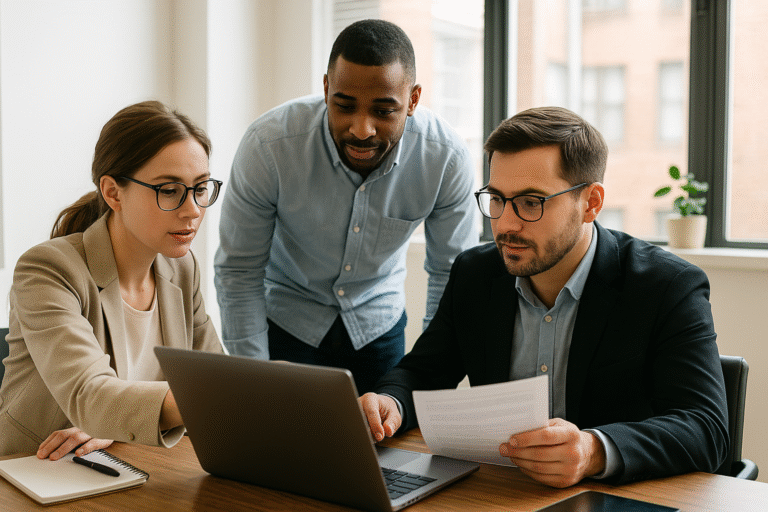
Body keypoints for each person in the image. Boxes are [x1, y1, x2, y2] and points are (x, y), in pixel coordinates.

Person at [359, 106, 728, 487]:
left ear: (591, 203)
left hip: (613, 498)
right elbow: (423, 371)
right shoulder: (476, 273)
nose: (505, 224)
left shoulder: (667, 286)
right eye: (497, 199)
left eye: (531, 202)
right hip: (502, 492)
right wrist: (392, 403)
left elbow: (705, 427)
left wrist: (593, 451)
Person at [214, 19, 478, 394]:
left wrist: (425, 381)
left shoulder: (445, 158)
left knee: (384, 450)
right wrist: (255, 380)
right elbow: (239, 271)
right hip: (286, 327)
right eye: (345, 106)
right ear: (326, 88)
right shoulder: (269, 145)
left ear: (413, 100)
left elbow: (450, 277)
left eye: (384, 111)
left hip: (379, 329)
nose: (361, 129)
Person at [0, 101, 224, 459]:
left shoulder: (182, 269)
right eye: (169, 190)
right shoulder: (46, 270)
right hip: (39, 470)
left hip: (135, 459)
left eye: (200, 188)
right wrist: (233, 394)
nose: (193, 210)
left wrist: (115, 424)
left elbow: (212, 375)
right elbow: (92, 396)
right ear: (113, 192)